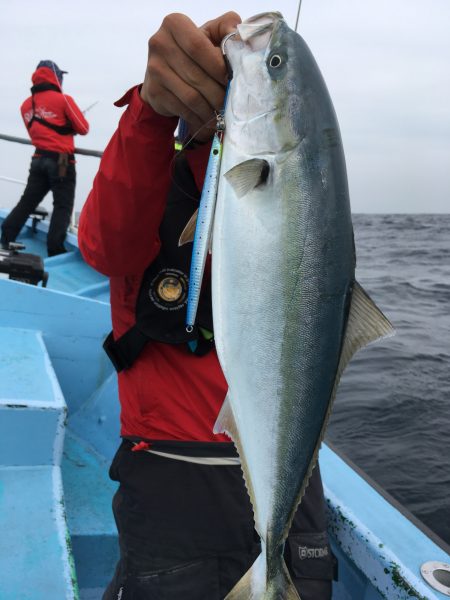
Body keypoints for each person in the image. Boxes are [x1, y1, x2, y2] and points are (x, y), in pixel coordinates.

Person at [78, 12, 336, 600]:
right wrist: (149, 110)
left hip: (291, 480)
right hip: (175, 472)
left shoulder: (289, 199)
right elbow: (104, 245)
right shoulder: (149, 173)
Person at [1, 60, 89, 256]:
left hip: (38, 159)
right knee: (63, 205)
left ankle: (6, 236)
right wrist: (68, 127)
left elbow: (36, 135)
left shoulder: (26, 105)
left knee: (27, 202)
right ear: (55, 77)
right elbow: (83, 128)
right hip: (62, 162)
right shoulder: (64, 100)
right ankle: (55, 248)